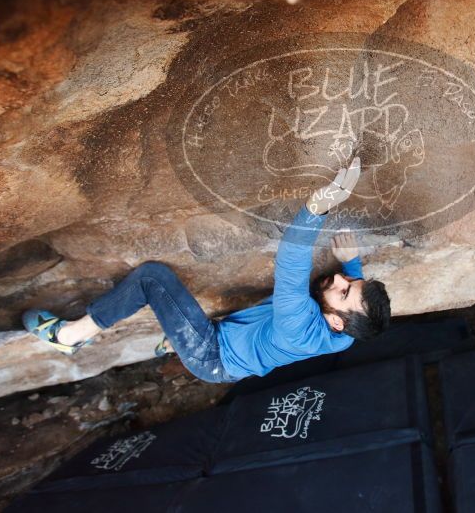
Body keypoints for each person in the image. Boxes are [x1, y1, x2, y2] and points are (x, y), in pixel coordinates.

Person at [21, 156, 391, 383]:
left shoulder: (300, 330)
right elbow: (355, 303)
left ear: (337, 321)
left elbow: (291, 264)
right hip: (235, 354)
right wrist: (352, 263)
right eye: (352, 281)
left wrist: (316, 208)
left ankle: (70, 337)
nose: (342, 280)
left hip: (211, 355)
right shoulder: (350, 331)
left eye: (344, 289)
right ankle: (173, 343)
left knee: (153, 278)